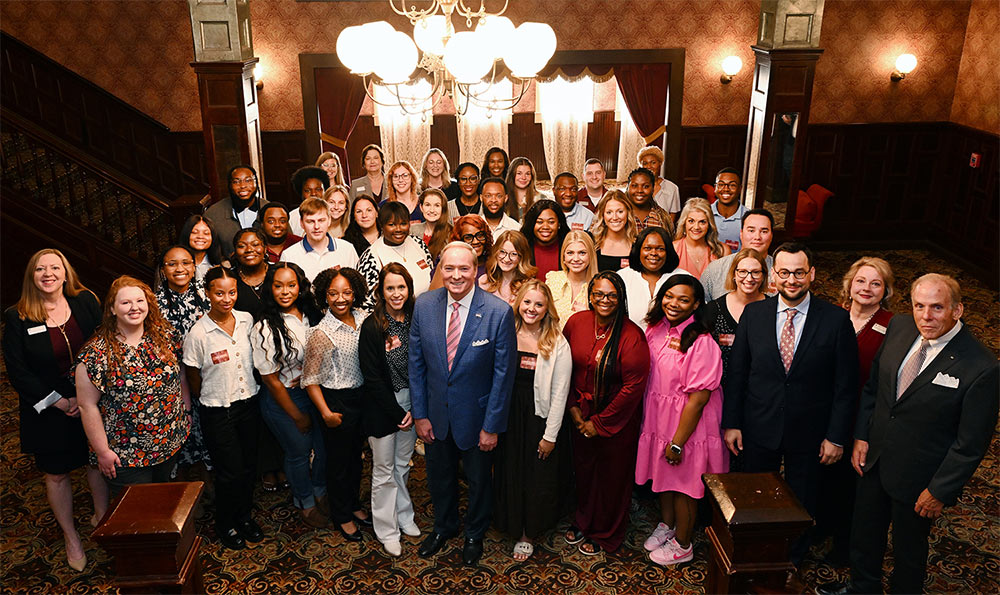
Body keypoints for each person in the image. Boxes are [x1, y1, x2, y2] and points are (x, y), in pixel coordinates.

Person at [818, 274, 998, 595]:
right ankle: (863, 589)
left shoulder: (981, 367)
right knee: (865, 536)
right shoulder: (900, 327)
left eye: (937, 307)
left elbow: (970, 444)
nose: (926, 316)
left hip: (920, 480)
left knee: (909, 553)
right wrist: (862, 436)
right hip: (874, 462)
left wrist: (940, 491)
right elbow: (875, 388)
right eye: (919, 306)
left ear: (957, 310)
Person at [722, 242, 858, 566]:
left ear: (811, 273)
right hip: (758, 426)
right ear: (773, 276)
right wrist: (732, 423)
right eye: (784, 273)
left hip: (810, 433)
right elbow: (738, 374)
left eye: (799, 272)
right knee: (757, 497)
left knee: (802, 500)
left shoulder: (836, 321)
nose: (792, 280)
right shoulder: (755, 315)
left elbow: (845, 386)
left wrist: (836, 436)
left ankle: (792, 561)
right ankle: (756, 555)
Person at [409, 242, 517, 566]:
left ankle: (474, 533)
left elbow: (503, 377)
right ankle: (444, 527)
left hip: (478, 418)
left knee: (479, 481)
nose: (456, 276)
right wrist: (420, 415)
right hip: (436, 416)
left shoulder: (498, 312)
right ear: (440, 270)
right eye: (449, 268)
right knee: (438, 478)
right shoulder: (424, 305)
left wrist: (492, 426)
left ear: (476, 270)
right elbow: (416, 365)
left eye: (464, 268)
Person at [2, 249, 108, 572]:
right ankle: (71, 536)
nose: (48, 274)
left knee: (95, 462)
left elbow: (104, 343)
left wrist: (89, 395)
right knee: (57, 473)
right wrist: (60, 401)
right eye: (40, 269)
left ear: (65, 273)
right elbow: (18, 373)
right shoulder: (18, 316)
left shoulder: (86, 302)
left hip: (91, 400)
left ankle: (103, 519)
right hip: (47, 408)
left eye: (54, 267)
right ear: (31, 277)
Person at [636, 274, 727, 566]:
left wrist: (677, 442)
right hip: (658, 418)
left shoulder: (702, 341)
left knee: (684, 483)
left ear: (696, 304)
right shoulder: (656, 328)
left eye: (683, 299)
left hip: (688, 425)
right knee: (663, 476)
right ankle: (668, 525)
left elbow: (699, 399)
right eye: (669, 296)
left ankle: (684, 544)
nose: (673, 304)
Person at [77, 275, 191, 503]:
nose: (134, 308)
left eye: (140, 301)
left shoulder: (166, 336)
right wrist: (102, 452)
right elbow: (86, 405)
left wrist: (186, 412)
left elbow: (180, 375)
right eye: (125, 303)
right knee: (138, 514)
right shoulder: (96, 353)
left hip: (168, 442)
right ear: (112, 309)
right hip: (125, 455)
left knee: (165, 505)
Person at [562, 272, 650, 555]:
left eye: (612, 295)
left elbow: (632, 388)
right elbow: (565, 368)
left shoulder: (632, 336)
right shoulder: (577, 322)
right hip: (579, 412)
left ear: (621, 298)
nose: (604, 300)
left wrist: (598, 423)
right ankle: (583, 520)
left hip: (617, 419)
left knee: (612, 478)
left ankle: (607, 532)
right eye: (599, 294)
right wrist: (573, 409)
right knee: (584, 472)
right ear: (590, 295)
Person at [816, 257, 896, 566]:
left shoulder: (893, 326)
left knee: (852, 486)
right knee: (822, 477)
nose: (866, 288)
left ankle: (844, 545)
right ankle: (820, 527)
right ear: (849, 284)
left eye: (876, 283)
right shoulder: (831, 315)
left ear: (885, 291)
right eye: (861, 281)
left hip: (863, 419)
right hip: (825, 412)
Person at [183, 267, 263, 550]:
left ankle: (244, 516)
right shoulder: (198, 333)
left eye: (232, 292)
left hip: (250, 404)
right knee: (229, 472)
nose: (226, 298)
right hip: (218, 411)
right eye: (219, 293)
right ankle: (224, 522)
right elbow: (194, 377)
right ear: (207, 293)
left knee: (249, 467)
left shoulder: (246, 319)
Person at [494, 280, 572, 562]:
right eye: (527, 302)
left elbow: (561, 393)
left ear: (547, 308)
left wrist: (550, 435)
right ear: (518, 303)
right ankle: (509, 522)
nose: (532, 308)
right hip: (507, 416)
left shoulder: (557, 341)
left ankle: (528, 532)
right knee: (509, 470)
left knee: (535, 476)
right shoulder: (506, 332)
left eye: (539, 304)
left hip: (538, 419)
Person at [251, 263, 328, 529]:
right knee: (298, 452)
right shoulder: (265, 327)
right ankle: (305, 503)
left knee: (323, 448)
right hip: (285, 399)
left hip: (314, 393)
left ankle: (320, 491)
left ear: (300, 286)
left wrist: (309, 372)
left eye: (291, 285)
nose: (286, 291)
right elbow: (270, 379)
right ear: (270, 289)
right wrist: (297, 416)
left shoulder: (311, 314)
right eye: (279, 285)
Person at [302, 267, 372, 541]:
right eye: (333, 293)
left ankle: (353, 505)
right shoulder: (321, 333)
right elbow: (310, 380)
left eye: (346, 292)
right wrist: (326, 413)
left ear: (355, 293)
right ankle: (341, 515)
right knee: (338, 463)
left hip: (361, 397)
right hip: (335, 401)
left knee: (357, 457)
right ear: (324, 296)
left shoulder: (364, 318)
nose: (340, 298)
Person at [358, 263, 422, 557]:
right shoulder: (372, 326)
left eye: (401, 287)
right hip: (383, 407)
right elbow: (371, 377)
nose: (396, 293)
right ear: (381, 292)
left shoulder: (415, 319)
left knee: (402, 464)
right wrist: (397, 414)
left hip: (412, 401)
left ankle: (404, 515)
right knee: (383, 470)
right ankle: (386, 528)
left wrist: (417, 406)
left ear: (409, 289)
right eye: (390, 288)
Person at [153, 245, 212, 480]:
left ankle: (210, 484)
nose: (180, 268)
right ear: (163, 269)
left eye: (186, 263)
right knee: (183, 434)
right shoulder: (153, 304)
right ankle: (186, 490)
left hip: (208, 376)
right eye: (172, 264)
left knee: (211, 434)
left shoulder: (207, 294)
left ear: (194, 266)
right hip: (174, 382)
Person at [702, 248, 768, 399]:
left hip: (760, 395)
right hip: (719, 393)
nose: (749, 278)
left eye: (755, 272)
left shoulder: (774, 309)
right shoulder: (713, 309)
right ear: (734, 274)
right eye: (743, 271)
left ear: (763, 275)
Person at [356, 201, 435, 309]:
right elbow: (367, 306)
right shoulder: (371, 258)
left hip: (426, 312)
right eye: (392, 225)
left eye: (403, 224)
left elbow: (432, 276)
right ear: (381, 225)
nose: (398, 229)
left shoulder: (418, 243)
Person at [617, 227, 684, 329]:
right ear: (638, 250)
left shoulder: (683, 278)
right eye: (647, 248)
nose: (653, 253)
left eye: (660, 249)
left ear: (668, 252)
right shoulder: (622, 277)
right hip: (631, 343)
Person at [701, 209, 775, 301]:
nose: (757, 237)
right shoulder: (715, 269)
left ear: (771, 235)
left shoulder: (780, 272)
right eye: (751, 230)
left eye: (764, 231)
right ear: (741, 233)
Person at [281, 198, 360, 282]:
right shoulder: (289, 256)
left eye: (321, 220)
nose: (316, 226)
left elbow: (358, 287)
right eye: (310, 221)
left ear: (329, 220)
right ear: (301, 223)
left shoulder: (347, 250)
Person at [204, 164, 267, 257]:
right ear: (229, 185)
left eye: (248, 180)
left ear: (256, 183)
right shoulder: (212, 214)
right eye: (236, 182)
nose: (243, 186)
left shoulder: (271, 209)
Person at [545, 231, 599, 327]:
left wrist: (589, 315)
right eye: (570, 253)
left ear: (591, 255)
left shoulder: (599, 286)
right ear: (563, 256)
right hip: (552, 341)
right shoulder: (552, 279)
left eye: (582, 253)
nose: (576, 258)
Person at [672, 198, 730, 279]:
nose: (696, 227)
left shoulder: (723, 250)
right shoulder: (673, 248)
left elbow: (726, 286)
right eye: (691, 221)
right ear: (684, 222)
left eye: (702, 222)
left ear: (709, 224)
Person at [478, 230, 537, 306]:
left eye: (513, 254)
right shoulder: (484, 281)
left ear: (522, 257)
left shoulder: (529, 286)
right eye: (502, 252)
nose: (506, 259)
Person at [521, 199, 570, 281]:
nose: (545, 227)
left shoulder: (569, 247)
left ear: (559, 224)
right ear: (532, 224)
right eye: (539, 222)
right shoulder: (522, 248)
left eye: (551, 222)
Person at [591, 190, 638, 272]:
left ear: (628, 212)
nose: (615, 217)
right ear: (603, 215)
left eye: (620, 212)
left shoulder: (638, 244)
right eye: (609, 212)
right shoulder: (593, 242)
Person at [230, 228, 272, 320]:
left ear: (265, 249)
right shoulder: (229, 278)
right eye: (241, 246)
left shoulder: (278, 272)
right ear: (235, 251)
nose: (249, 249)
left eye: (255, 244)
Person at [626, 167, 674, 235]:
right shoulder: (620, 215)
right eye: (634, 186)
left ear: (653, 189)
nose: (640, 190)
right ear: (627, 188)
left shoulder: (662, 218)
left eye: (646, 186)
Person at [637, 146, 680, 222]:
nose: (649, 167)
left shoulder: (672, 188)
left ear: (660, 163)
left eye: (653, 163)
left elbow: (672, 217)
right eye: (645, 163)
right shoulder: (635, 187)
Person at [287, 166, 332, 237]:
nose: (313, 193)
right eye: (307, 190)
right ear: (301, 193)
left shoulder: (333, 213)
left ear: (324, 190)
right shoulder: (292, 217)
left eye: (318, 189)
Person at [410, 188, 453, 260]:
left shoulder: (451, 233)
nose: (432, 210)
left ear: (443, 208)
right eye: (427, 205)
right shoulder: (412, 230)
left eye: (437, 205)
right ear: (421, 207)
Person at [710, 168, 747, 252]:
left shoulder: (748, 217)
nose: (726, 189)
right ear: (715, 188)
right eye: (721, 184)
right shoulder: (704, 213)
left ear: (740, 188)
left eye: (732, 185)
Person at [179, 214, 224, 281]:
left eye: (206, 233)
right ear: (187, 235)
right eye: (194, 232)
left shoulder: (220, 265)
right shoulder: (176, 265)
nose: (200, 236)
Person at [480, 177, 520, 241]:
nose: (493, 200)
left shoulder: (516, 228)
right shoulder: (473, 227)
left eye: (499, 196)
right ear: (481, 198)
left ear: (506, 198)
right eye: (488, 196)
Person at [505, 156, 544, 221]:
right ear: (512, 175)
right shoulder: (504, 198)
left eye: (527, 174)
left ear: (532, 176)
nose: (523, 178)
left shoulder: (541, 199)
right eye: (519, 173)